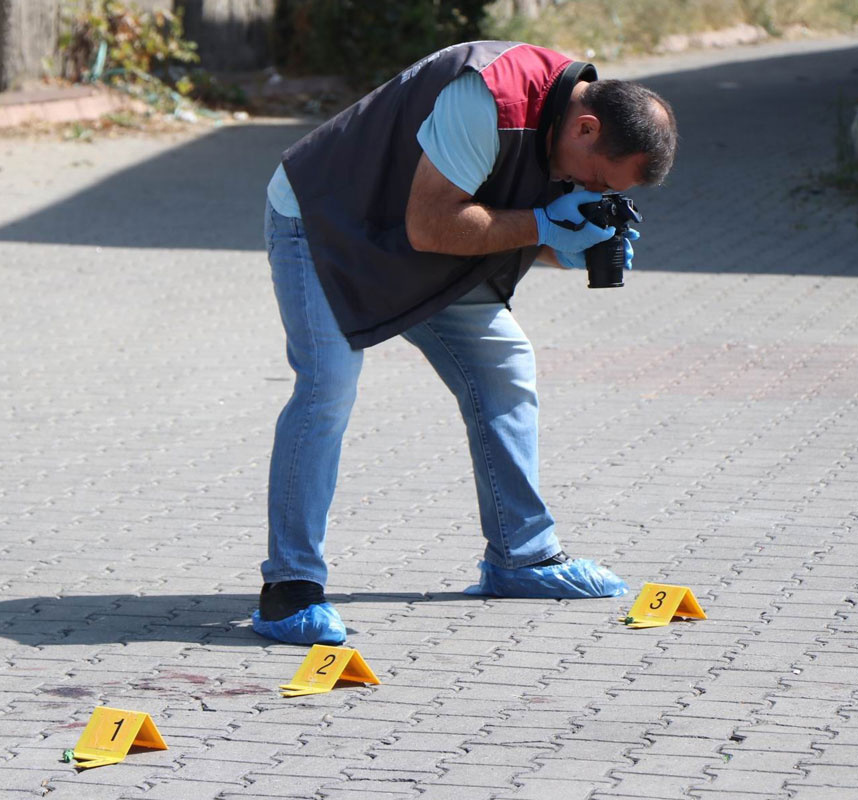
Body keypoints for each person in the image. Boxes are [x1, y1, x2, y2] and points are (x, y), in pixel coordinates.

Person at [254, 40, 678, 645]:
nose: (583, 185)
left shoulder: (563, 124)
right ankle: (289, 589)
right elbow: (432, 225)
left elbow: (487, 216)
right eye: (594, 177)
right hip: (326, 222)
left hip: (418, 237)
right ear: (586, 127)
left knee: (503, 365)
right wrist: (541, 226)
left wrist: (571, 242)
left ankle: (521, 558)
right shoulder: (490, 98)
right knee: (327, 389)